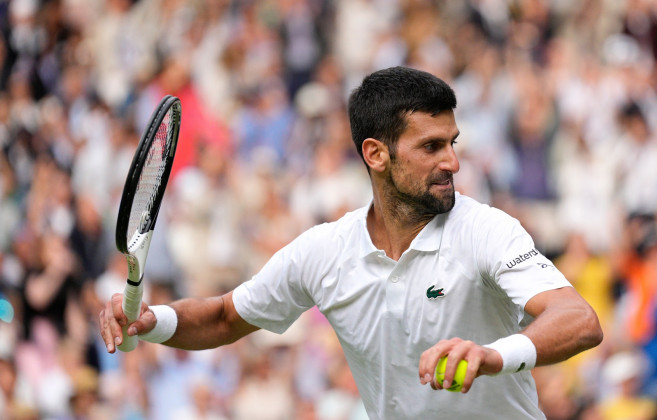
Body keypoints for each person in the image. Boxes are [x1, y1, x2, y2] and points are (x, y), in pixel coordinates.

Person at [99, 66, 603, 419]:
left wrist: (493, 356)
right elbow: (225, 317)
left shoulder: (487, 230)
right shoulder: (324, 250)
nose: (451, 161)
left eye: (452, 143)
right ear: (375, 154)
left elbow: (578, 320)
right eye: (431, 146)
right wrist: (154, 320)